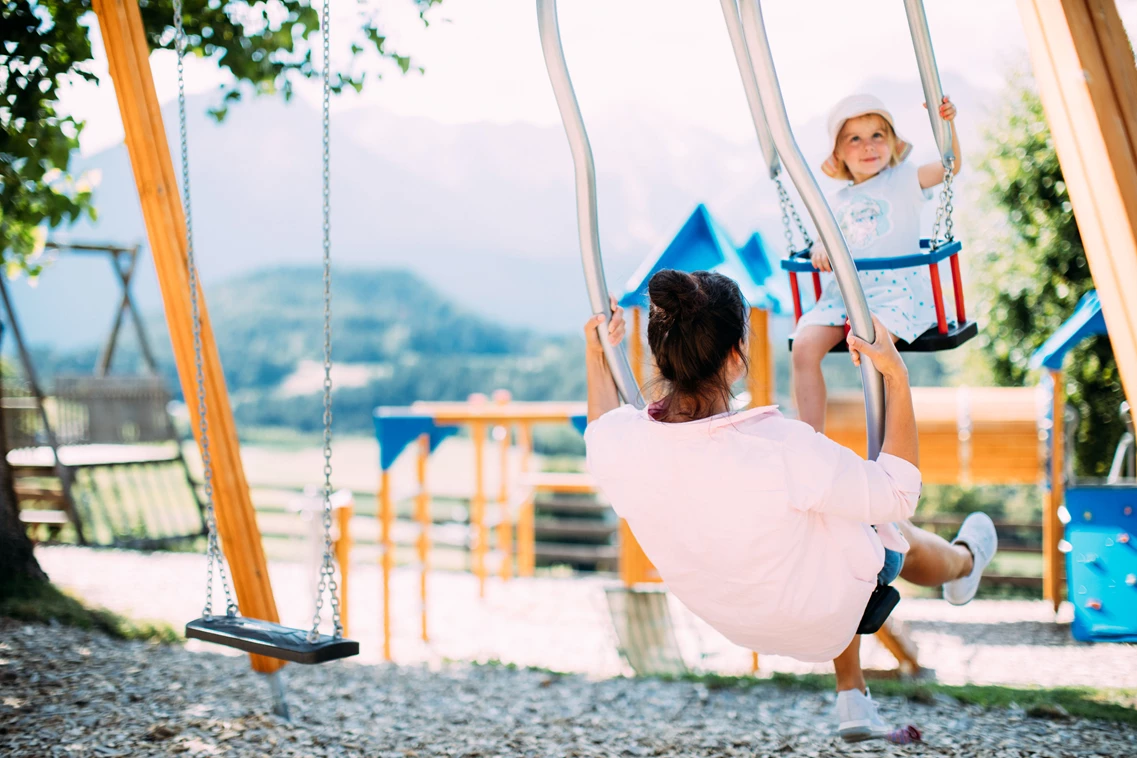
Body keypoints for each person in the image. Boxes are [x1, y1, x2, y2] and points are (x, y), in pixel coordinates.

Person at [583, 271, 996, 742]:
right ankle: (964, 563)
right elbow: (899, 491)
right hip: (821, 617)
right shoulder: (780, 448)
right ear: (737, 357)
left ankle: (852, 694)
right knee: (885, 527)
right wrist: (896, 376)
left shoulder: (620, 444)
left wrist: (597, 354)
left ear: (662, 355)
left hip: (736, 620)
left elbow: (600, 426)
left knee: (825, 513)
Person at [793, 93, 961, 432]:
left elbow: (950, 166)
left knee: (875, 351)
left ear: (892, 144)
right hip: (845, 296)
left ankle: (890, 440)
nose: (868, 146)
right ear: (838, 152)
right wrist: (822, 247)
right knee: (803, 347)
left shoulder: (905, 179)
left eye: (877, 136)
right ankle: (810, 439)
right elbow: (820, 242)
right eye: (855, 139)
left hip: (895, 293)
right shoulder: (833, 201)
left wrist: (946, 125)